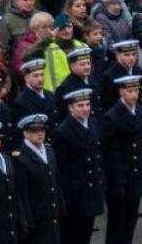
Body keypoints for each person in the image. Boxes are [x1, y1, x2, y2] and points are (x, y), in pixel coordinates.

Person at [98, 74, 142, 244]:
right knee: (117, 223)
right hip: (120, 179)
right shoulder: (111, 118)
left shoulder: (141, 111)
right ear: (121, 92)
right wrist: (118, 182)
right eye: (129, 91)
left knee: (131, 220)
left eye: (136, 90)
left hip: (136, 175)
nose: (134, 94)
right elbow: (111, 154)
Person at [53, 89, 105, 244]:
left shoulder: (93, 124)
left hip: (91, 190)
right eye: (80, 105)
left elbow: (98, 158)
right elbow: (61, 170)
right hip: (75, 195)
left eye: (88, 104)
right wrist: (65, 200)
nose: (85, 109)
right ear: (70, 108)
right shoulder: (63, 132)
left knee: (86, 233)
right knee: (72, 236)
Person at [11, 113, 60, 244]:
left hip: (51, 213)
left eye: (42, 130)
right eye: (35, 131)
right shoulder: (20, 158)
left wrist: (60, 208)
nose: (40, 134)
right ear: (25, 134)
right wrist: (27, 221)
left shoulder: (49, 150)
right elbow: (22, 194)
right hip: (35, 216)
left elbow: (55, 182)